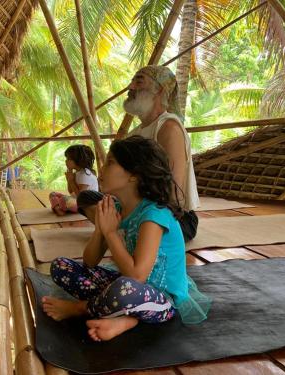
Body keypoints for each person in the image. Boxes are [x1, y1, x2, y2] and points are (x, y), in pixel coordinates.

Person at [42, 136, 211, 341]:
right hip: (130, 285)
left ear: (134, 175)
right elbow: (90, 261)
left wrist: (112, 234)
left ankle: (83, 309)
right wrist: (101, 230)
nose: (102, 169)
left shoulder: (154, 215)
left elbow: (137, 276)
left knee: (124, 289)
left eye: (111, 162)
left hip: (163, 297)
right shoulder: (118, 207)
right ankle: (126, 317)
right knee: (61, 266)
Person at [78, 65, 199, 241]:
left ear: (160, 90)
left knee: (110, 211)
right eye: (132, 81)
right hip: (135, 208)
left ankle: (122, 228)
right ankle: (122, 227)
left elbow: (174, 194)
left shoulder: (168, 127)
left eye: (139, 81)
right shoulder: (135, 134)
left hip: (172, 218)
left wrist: (136, 211)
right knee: (86, 198)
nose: (131, 87)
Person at [49, 144, 98, 216]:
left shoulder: (85, 174)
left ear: (78, 160)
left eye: (68, 159)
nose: (66, 161)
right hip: (77, 201)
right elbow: (71, 192)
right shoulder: (77, 173)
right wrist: (69, 179)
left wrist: (71, 180)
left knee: (63, 200)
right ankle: (58, 208)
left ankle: (59, 206)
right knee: (53, 194)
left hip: (86, 205)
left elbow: (81, 197)